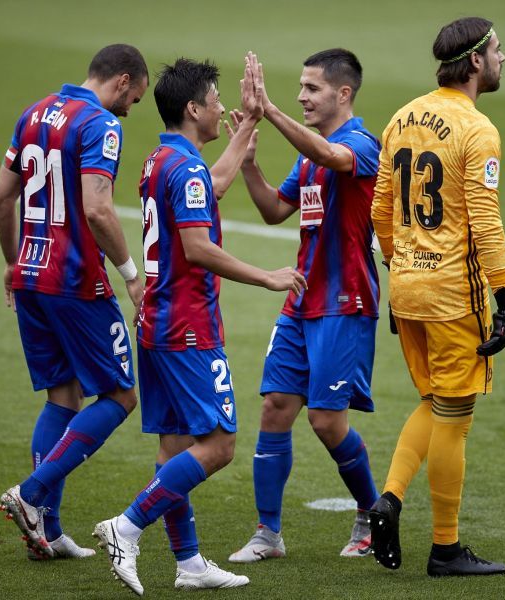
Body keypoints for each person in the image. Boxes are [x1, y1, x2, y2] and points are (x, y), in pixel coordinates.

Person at [92, 58, 306, 595]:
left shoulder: (160, 160)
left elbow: (211, 187)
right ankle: (127, 525)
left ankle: (188, 563)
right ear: (194, 108)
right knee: (218, 445)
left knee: (173, 449)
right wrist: (267, 277)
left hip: (158, 323)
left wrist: (252, 123)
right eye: (215, 101)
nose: (220, 109)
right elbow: (197, 247)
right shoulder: (182, 167)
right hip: (188, 326)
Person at [368, 17, 505, 577]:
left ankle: (390, 498)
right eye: (499, 50)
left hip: (406, 289)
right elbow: (485, 220)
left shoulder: (402, 116)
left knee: (434, 401)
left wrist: (398, 264)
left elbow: (381, 208)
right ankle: (446, 548)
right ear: (475, 61)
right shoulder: (478, 129)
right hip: (455, 295)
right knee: (456, 413)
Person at [0, 44, 149, 560]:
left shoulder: (33, 113)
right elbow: (98, 208)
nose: (132, 108)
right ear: (122, 81)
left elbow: (0, 197)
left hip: (32, 278)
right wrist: (130, 274)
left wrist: (15, 266)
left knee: (63, 394)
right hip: (75, 280)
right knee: (121, 396)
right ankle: (31, 493)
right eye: (135, 97)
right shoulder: (100, 124)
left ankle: (48, 534)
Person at [226, 49, 381, 563]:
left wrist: (269, 112)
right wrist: (249, 165)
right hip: (301, 298)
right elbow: (274, 210)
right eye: (299, 88)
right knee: (274, 409)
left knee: (326, 421)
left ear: (343, 94)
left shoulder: (359, 143)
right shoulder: (308, 154)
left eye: (311, 88)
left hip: (344, 301)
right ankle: (267, 533)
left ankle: (372, 514)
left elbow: (334, 159)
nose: (301, 96)